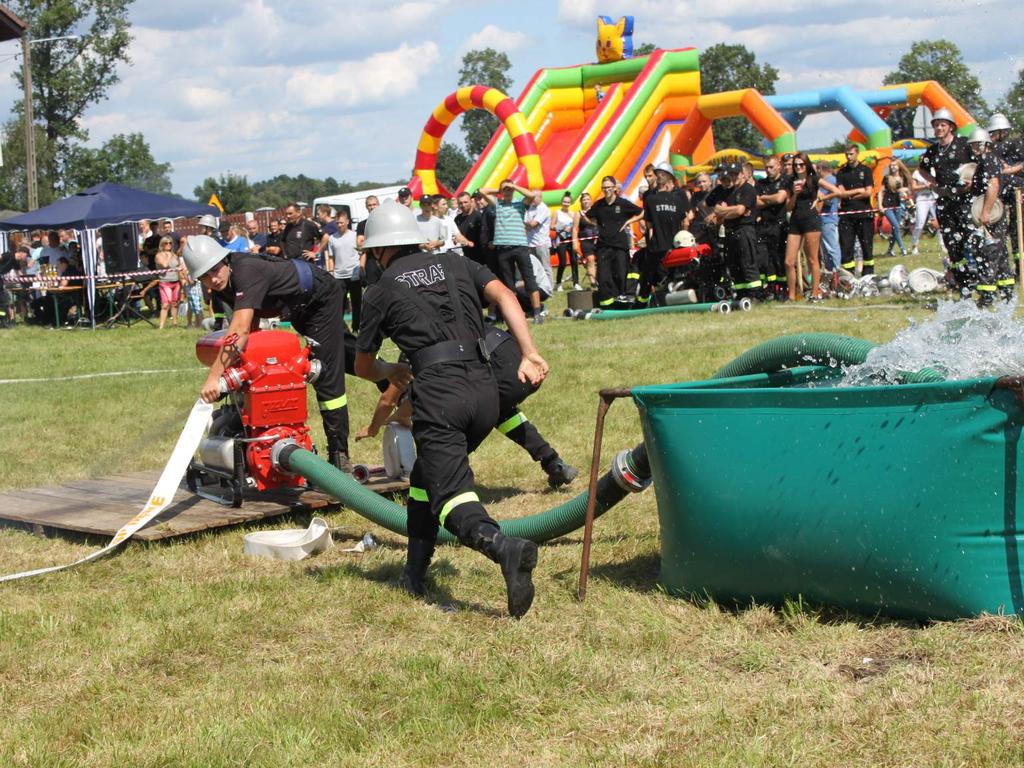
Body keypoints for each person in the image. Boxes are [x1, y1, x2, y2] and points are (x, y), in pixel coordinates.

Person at [355, 201, 547, 617]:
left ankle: (504, 548)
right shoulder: (458, 264)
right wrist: (529, 352)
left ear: (378, 251)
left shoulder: (379, 292)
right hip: (486, 389)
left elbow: (362, 364)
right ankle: (414, 573)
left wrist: (393, 369)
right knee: (425, 477)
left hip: (441, 395)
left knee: (450, 496)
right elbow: (505, 295)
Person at [182, 234, 357, 473]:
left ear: (225, 260)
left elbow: (240, 329)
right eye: (205, 276)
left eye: (215, 270)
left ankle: (340, 457)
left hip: (319, 298)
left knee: (325, 374)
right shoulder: (224, 284)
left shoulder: (245, 271)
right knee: (350, 358)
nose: (213, 278)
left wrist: (214, 377)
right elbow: (249, 329)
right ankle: (393, 380)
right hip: (297, 305)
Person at [918, 108, 974, 295]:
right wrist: (933, 183)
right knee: (952, 242)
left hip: (965, 199)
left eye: (942, 125)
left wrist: (972, 180)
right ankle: (961, 281)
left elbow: (979, 164)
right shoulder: (933, 150)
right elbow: (922, 169)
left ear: (951, 127)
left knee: (970, 238)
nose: (939, 128)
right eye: (936, 125)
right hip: (944, 200)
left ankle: (977, 276)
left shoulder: (963, 144)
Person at [478, 180, 543, 323]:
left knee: (529, 279)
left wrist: (514, 187)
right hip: (503, 250)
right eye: (505, 189)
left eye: (509, 189)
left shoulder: (520, 204)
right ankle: (516, 314)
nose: (507, 191)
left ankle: (537, 313)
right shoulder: (497, 203)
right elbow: (481, 191)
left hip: (520, 247)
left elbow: (531, 196)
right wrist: (500, 190)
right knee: (508, 285)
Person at [966, 128, 1013, 305]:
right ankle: (1007, 292)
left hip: (991, 215)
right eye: (972, 145)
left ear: (986, 144)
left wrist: (985, 212)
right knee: (1000, 255)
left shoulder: (988, 160)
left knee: (989, 253)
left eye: (978, 144)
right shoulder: (987, 161)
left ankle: (987, 296)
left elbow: (993, 185)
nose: (975, 148)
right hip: (993, 213)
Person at [784, 153, 838, 301]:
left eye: (801, 164)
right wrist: (795, 194)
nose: (798, 167)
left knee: (812, 259)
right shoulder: (791, 181)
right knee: (789, 261)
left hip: (811, 220)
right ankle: (792, 295)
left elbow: (836, 191)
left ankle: (815, 293)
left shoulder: (813, 179)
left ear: (807, 165)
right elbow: (788, 207)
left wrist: (821, 198)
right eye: (795, 165)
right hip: (795, 220)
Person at [583, 175, 643, 306]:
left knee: (621, 274)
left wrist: (629, 221)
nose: (606, 190)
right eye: (604, 188)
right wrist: (595, 224)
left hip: (620, 245)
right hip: (603, 245)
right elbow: (588, 216)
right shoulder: (599, 205)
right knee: (604, 276)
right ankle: (607, 303)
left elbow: (641, 212)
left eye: (609, 187)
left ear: (615, 188)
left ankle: (622, 300)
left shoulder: (622, 203)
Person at [709, 163, 761, 299]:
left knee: (748, 263)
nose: (733, 177)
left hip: (745, 230)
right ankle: (741, 295)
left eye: (735, 174)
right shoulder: (729, 192)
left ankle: (754, 295)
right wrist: (729, 211)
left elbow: (739, 211)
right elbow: (719, 212)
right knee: (735, 265)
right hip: (730, 230)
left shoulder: (747, 189)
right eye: (731, 174)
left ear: (743, 174)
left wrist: (726, 211)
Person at [639, 162, 689, 305]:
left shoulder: (650, 199)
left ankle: (642, 302)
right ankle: (673, 299)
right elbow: (685, 222)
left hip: (657, 246)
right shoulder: (677, 200)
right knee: (672, 275)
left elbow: (649, 226)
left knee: (648, 276)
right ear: (668, 183)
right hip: (674, 246)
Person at [835, 145, 876, 275]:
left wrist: (849, 195)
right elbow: (841, 193)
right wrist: (858, 190)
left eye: (851, 154)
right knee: (846, 247)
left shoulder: (866, 171)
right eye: (846, 154)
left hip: (864, 214)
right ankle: (848, 276)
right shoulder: (841, 172)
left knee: (867, 247)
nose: (848, 157)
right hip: (846, 215)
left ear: (857, 153)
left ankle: (868, 274)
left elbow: (868, 192)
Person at [989, 113, 1023, 265]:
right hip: (998, 191)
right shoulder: (988, 147)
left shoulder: (1015, 144)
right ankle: (1001, 265)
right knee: (998, 229)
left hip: (1017, 189)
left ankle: (1019, 265)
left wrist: (1008, 170)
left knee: (1017, 228)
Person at [755, 156, 790, 299]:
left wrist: (765, 198)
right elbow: (756, 202)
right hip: (763, 225)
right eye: (766, 168)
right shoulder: (760, 183)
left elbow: (780, 199)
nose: (768, 170)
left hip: (779, 225)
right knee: (764, 259)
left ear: (779, 166)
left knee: (778, 258)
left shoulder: (785, 180)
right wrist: (771, 199)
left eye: (771, 167)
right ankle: (769, 288)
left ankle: (782, 289)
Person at [325, 209, 362, 331]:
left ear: (347, 221)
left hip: (354, 274)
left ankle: (356, 327)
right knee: (338, 303)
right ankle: (339, 328)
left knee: (356, 302)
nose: (339, 225)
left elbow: (362, 254)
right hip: (339, 276)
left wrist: (361, 269)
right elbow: (330, 258)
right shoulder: (332, 238)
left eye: (341, 222)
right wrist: (331, 273)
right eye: (337, 223)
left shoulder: (355, 235)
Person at [878, 159, 911, 257]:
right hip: (887, 205)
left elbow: (909, 190)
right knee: (896, 226)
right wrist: (880, 205)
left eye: (894, 165)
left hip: (898, 205)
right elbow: (880, 192)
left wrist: (905, 190)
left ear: (899, 166)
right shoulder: (887, 178)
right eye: (891, 165)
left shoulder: (902, 178)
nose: (892, 167)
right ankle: (903, 249)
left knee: (894, 229)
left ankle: (890, 250)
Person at [909, 165, 941, 257]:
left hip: (933, 198)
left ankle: (943, 244)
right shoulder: (916, 173)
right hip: (922, 199)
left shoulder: (934, 171)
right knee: (920, 223)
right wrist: (925, 186)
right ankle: (914, 245)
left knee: (940, 222)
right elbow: (914, 187)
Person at [524, 190, 553, 290]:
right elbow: (527, 224)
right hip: (530, 243)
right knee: (533, 267)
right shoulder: (530, 208)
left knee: (545, 266)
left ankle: (549, 288)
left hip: (542, 243)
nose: (532, 199)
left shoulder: (543, 208)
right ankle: (538, 287)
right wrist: (528, 223)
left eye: (534, 197)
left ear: (540, 197)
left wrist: (527, 223)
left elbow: (532, 224)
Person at [817, 162, 842, 272]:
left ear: (820, 169)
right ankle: (830, 273)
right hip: (825, 219)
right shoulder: (830, 180)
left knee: (832, 248)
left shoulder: (829, 181)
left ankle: (836, 271)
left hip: (828, 219)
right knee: (826, 250)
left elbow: (824, 199)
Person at [552, 192, 580, 290]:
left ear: (570, 203)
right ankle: (558, 283)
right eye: (564, 202)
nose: (566, 204)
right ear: (561, 202)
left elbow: (576, 226)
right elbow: (552, 226)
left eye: (568, 202)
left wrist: (572, 228)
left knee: (574, 261)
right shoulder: (557, 212)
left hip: (571, 239)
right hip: (561, 240)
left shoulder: (572, 214)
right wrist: (563, 228)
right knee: (563, 262)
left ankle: (576, 283)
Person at [155, 236, 183, 329]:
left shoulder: (175, 255)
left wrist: (182, 279)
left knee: (175, 303)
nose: (169, 245)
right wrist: (168, 255)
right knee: (166, 304)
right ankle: (161, 326)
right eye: (166, 243)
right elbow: (165, 265)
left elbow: (179, 267)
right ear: (162, 244)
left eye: (170, 243)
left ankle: (175, 323)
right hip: (165, 282)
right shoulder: (159, 255)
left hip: (176, 282)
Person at [572, 191, 599, 287]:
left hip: (598, 239)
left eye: (588, 199)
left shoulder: (596, 211)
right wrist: (575, 243)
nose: (586, 201)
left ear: (591, 201)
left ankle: (600, 278)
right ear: (581, 202)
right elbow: (575, 229)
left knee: (600, 260)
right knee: (590, 259)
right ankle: (592, 281)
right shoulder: (578, 214)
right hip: (585, 241)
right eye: (584, 200)